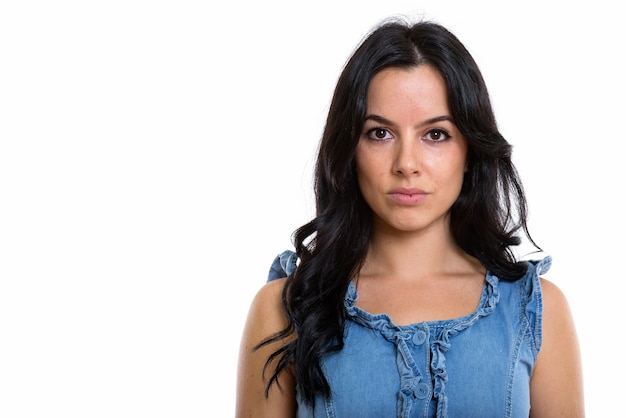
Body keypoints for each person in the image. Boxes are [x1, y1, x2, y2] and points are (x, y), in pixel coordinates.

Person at [236, 17, 584, 418]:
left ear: (470, 150)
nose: (406, 164)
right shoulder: (284, 309)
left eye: (435, 134)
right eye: (379, 133)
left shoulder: (535, 311)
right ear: (349, 149)